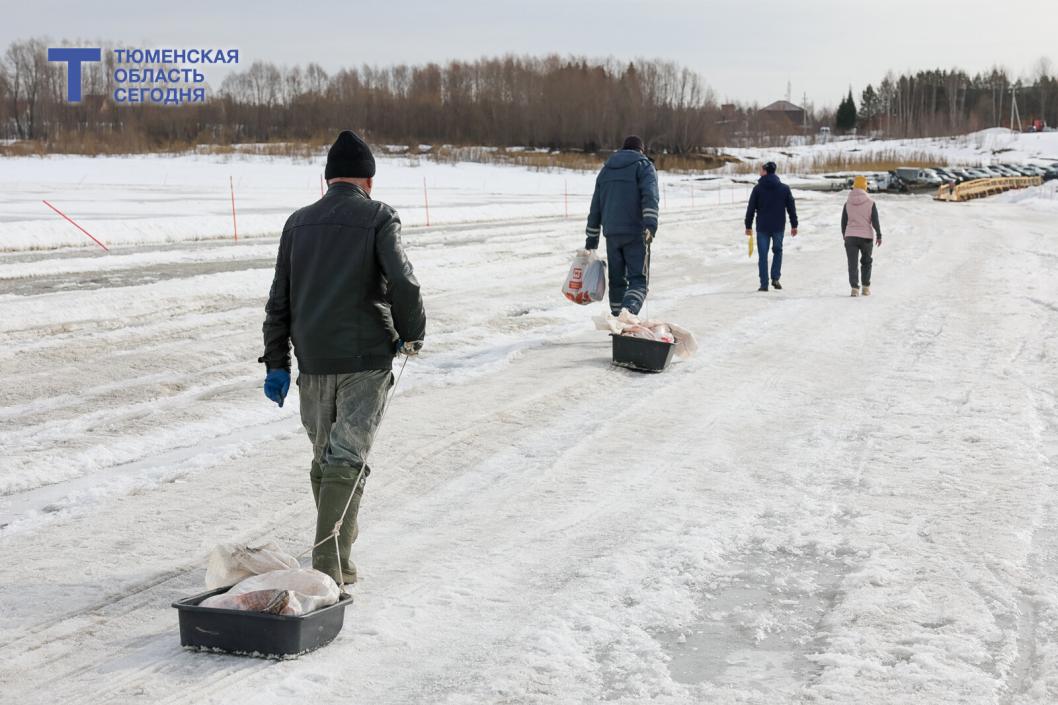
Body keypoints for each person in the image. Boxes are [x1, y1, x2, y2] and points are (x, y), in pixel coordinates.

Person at [259, 130, 426, 585]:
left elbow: (279, 300)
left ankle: (339, 560)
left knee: (326, 459)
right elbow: (405, 284)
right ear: (368, 180)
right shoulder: (378, 217)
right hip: (365, 357)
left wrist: (277, 362)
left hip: (312, 360)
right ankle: (328, 566)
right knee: (346, 459)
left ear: (327, 179)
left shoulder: (297, 223)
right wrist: (412, 336)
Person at [584, 135, 660, 316]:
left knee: (617, 281)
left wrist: (592, 238)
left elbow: (596, 206)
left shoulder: (606, 170)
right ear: (641, 150)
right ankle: (627, 316)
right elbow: (650, 196)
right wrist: (650, 225)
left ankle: (617, 319)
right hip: (636, 233)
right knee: (638, 281)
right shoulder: (644, 166)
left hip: (612, 234)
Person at [744, 161, 798, 291]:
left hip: (762, 227)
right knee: (778, 251)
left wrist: (748, 226)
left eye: (761, 170)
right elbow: (791, 208)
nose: (759, 172)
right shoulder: (784, 188)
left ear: (765, 171)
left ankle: (764, 284)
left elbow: (751, 208)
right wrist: (794, 224)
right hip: (778, 226)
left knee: (763, 256)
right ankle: (775, 278)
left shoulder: (757, 189)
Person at [842, 175, 883, 297]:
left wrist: (845, 235)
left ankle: (854, 289)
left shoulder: (847, 203)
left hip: (850, 237)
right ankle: (865, 288)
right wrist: (879, 235)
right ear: (865, 187)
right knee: (866, 262)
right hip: (866, 238)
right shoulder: (871, 203)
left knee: (852, 263)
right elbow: (875, 220)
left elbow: (843, 222)